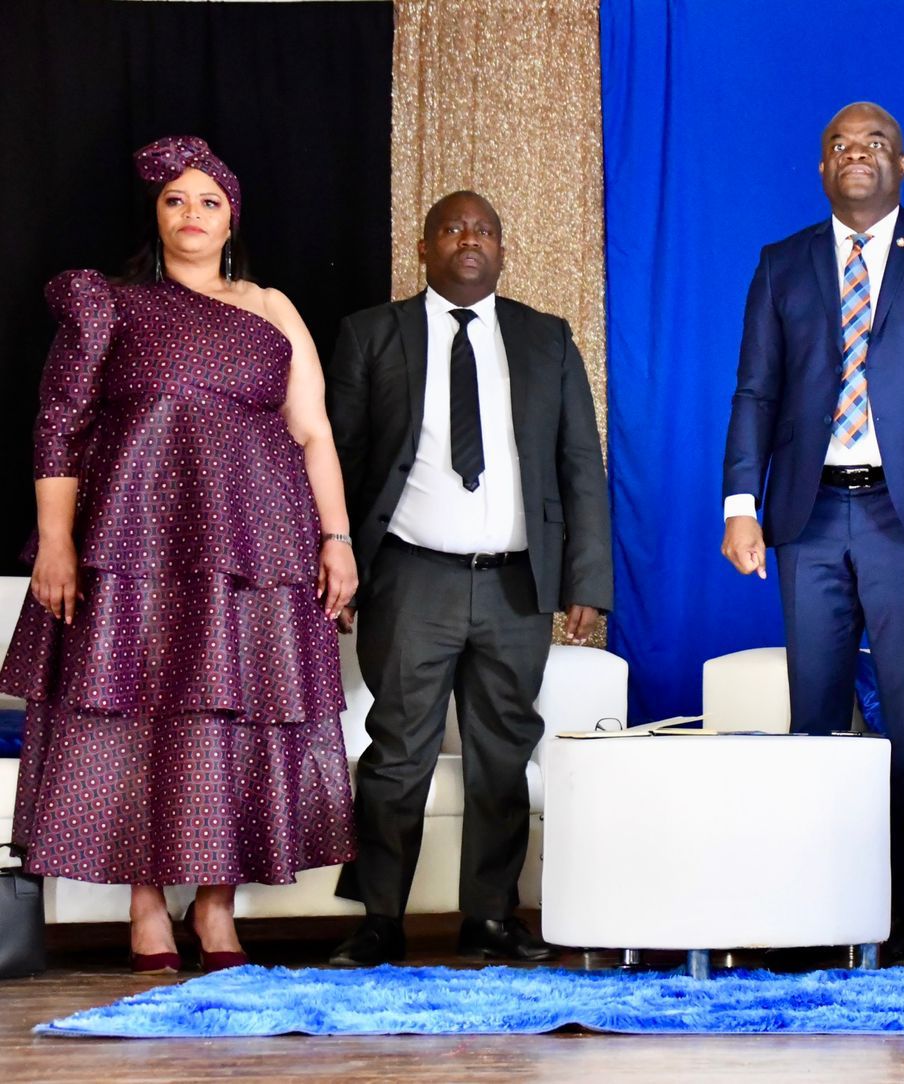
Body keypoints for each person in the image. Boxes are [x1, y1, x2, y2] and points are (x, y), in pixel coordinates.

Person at [0, 135, 358, 973]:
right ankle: (147, 904)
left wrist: (336, 539)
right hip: (140, 548)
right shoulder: (111, 304)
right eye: (174, 200)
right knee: (146, 718)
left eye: (208, 201)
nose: (191, 213)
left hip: (259, 549)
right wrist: (56, 541)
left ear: (233, 218)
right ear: (155, 216)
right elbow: (60, 424)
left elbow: (313, 431)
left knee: (236, 718)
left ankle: (216, 906)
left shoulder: (272, 307)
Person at [720, 102, 904, 967]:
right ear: (821, 168)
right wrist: (739, 504)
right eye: (841, 145)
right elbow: (756, 391)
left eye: (876, 143)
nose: (858, 154)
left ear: (902, 164)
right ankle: (816, 916)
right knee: (813, 722)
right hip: (805, 518)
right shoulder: (782, 263)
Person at [325, 190, 612, 966]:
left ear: (502, 249)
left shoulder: (547, 338)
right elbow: (340, 460)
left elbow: (580, 466)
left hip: (517, 584)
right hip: (411, 578)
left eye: (484, 229)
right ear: (424, 248)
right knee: (397, 750)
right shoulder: (372, 334)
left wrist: (587, 579)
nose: (469, 239)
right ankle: (380, 919)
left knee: (503, 752)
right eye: (452, 228)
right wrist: (337, 561)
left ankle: (489, 917)